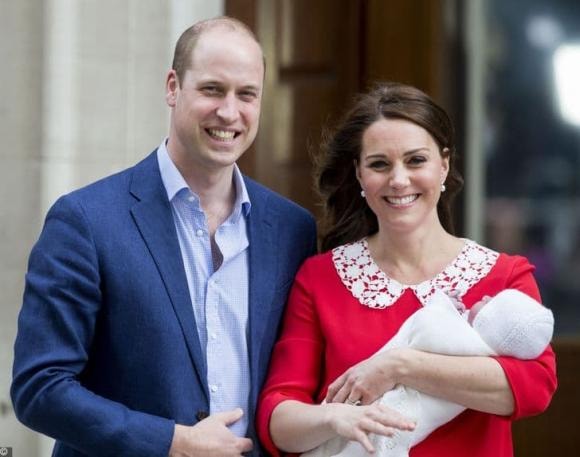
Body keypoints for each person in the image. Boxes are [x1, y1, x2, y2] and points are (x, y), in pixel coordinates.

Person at [11, 16, 316, 457]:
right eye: (212, 89)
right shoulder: (85, 220)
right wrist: (173, 442)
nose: (230, 112)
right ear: (173, 87)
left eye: (246, 94)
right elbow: (39, 388)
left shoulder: (292, 229)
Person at [256, 82, 557, 457]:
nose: (399, 180)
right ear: (359, 175)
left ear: (444, 165)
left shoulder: (505, 275)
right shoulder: (319, 279)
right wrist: (332, 419)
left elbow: (534, 387)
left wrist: (401, 366)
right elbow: (277, 420)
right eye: (380, 164)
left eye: (416, 160)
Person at [303, 288, 554, 457]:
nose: (486, 296)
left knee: (358, 442)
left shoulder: (467, 343)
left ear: (490, 322)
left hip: (388, 411)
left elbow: (428, 328)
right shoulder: (485, 354)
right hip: (339, 420)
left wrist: (442, 304)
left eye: (492, 304)